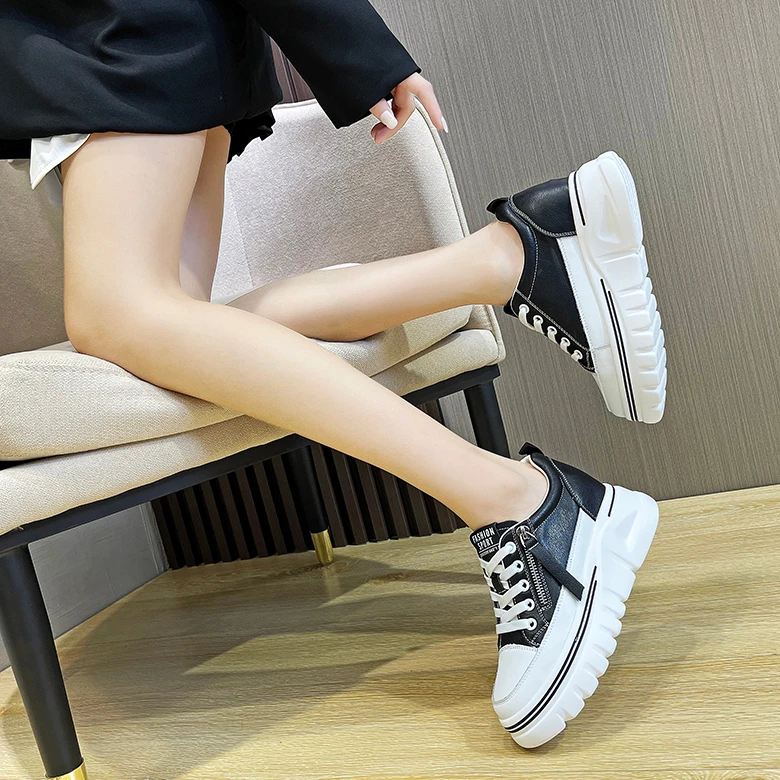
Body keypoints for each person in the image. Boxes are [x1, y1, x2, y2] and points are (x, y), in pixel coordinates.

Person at [1, 0, 666, 753]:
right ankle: (516, 259)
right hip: (130, 51)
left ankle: (520, 501)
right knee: (175, 330)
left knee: (124, 319)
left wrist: (360, 51)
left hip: (112, 42)